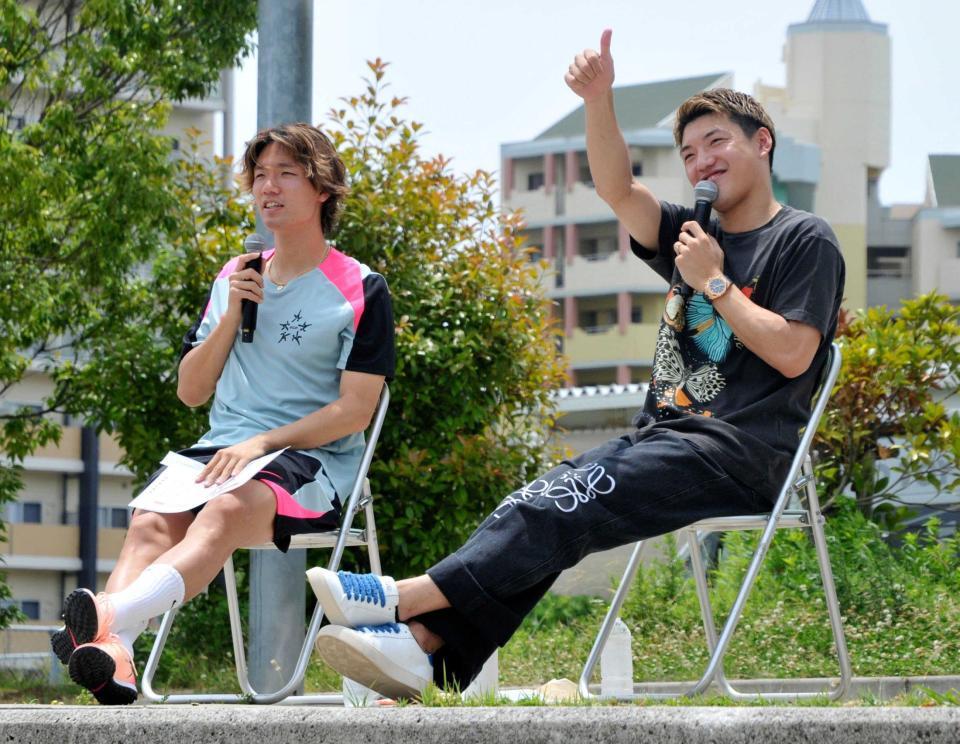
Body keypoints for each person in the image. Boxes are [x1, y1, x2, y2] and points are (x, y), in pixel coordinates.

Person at [307, 28, 845, 701]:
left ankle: (397, 600)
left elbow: (796, 352)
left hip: (739, 455)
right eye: (689, 152)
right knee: (541, 503)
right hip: (664, 439)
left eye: (717, 143)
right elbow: (618, 189)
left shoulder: (804, 240)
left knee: (559, 507)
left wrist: (714, 283)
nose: (702, 160)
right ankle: (428, 657)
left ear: (761, 141)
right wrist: (599, 98)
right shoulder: (690, 232)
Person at [51, 123, 395, 705]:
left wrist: (261, 445)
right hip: (221, 451)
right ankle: (115, 655)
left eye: (287, 173)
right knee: (148, 523)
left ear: (322, 190)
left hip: (309, 461)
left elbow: (355, 411)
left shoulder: (361, 288)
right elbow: (191, 391)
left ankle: (108, 616)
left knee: (223, 511)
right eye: (260, 175)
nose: (269, 187)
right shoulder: (235, 276)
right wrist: (232, 313)